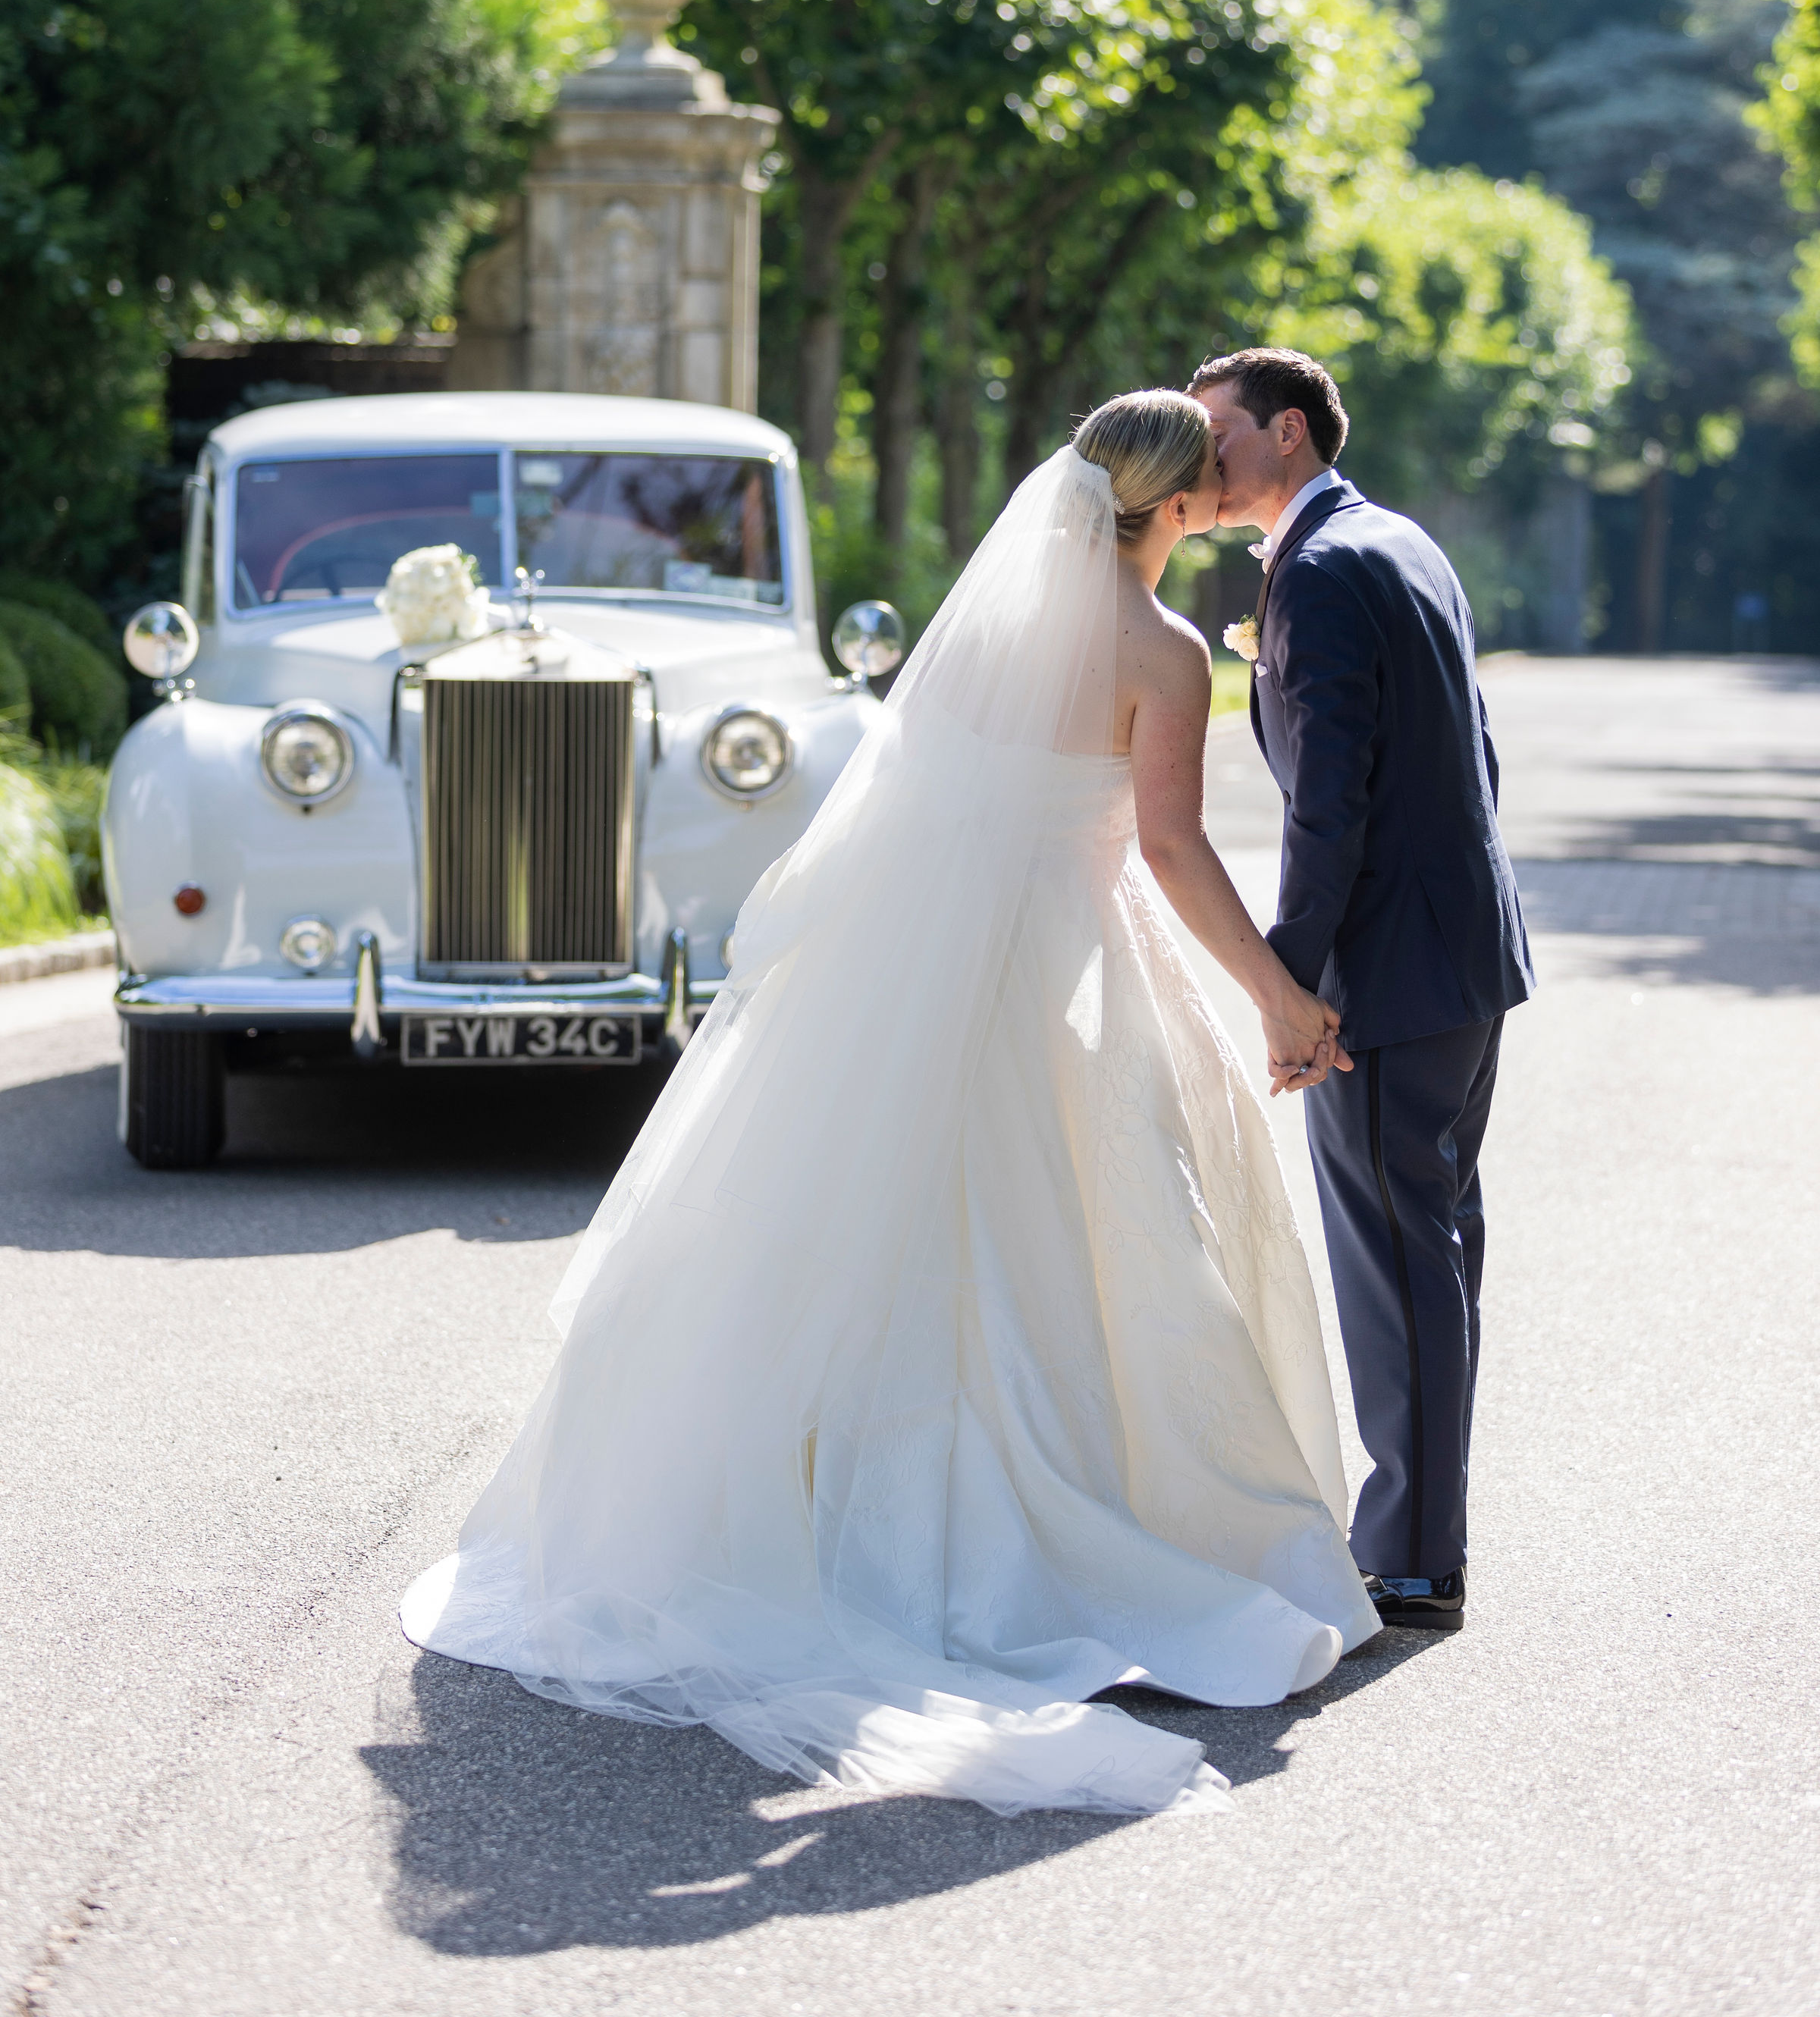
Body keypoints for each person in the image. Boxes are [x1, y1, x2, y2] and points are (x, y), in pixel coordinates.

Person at [402, 390, 1381, 1818]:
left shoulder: (986, 630)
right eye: (1207, 484)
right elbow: (1165, 848)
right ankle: (1061, 1549)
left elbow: (923, 799)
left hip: (916, 970)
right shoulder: (1163, 656)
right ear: (1173, 509)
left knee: (882, 1245)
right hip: (1067, 977)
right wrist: (1276, 1000)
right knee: (1089, 1259)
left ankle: (823, 1530)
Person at [1190, 349, 1534, 1633]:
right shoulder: (1395, 540)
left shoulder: (1324, 569)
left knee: (1400, 1259)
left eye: (1214, 431)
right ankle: (1418, 1533)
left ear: (1287, 432)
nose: (1198, 453)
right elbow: (1475, 753)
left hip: (1387, 975)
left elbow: (1328, 808)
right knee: (1432, 1249)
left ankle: (1413, 1558)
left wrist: (1292, 984)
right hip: (1461, 960)